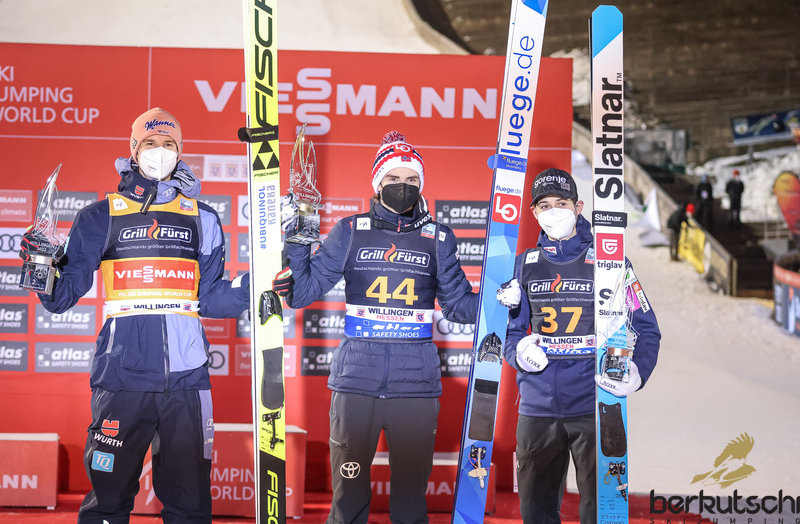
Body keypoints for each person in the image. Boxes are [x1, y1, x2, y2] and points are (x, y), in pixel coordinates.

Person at [19, 108, 250, 523]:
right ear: (133, 148)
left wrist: (255, 285)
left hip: (187, 380)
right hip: (121, 377)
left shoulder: (203, 217)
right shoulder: (99, 216)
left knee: (190, 505)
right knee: (108, 501)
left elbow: (213, 299)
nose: (159, 152)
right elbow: (61, 298)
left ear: (180, 151)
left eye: (169, 144)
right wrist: (39, 266)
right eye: (150, 143)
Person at [272, 131, 478, 524]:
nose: (403, 186)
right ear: (377, 182)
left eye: (412, 180)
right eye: (393, 179)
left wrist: (503, 301)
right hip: (356, 382)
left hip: (415, 386)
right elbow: (302, 293)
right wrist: (297, 238)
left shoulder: (438, 238)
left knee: (410, 501)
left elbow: (458, 306)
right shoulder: (351, 230)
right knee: (348, 499)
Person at [497, 168, 660, 524]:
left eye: (562, 203)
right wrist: (518, 354)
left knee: (601, 511)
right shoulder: (524, 265)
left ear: (578, 206)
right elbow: (510, 335)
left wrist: (638, 371)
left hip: (595, 404)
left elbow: (648, 329)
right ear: (534, 212)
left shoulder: (610, 263)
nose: (554, 211)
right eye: (545, 205)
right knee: (535, 512)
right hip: (537, 409)